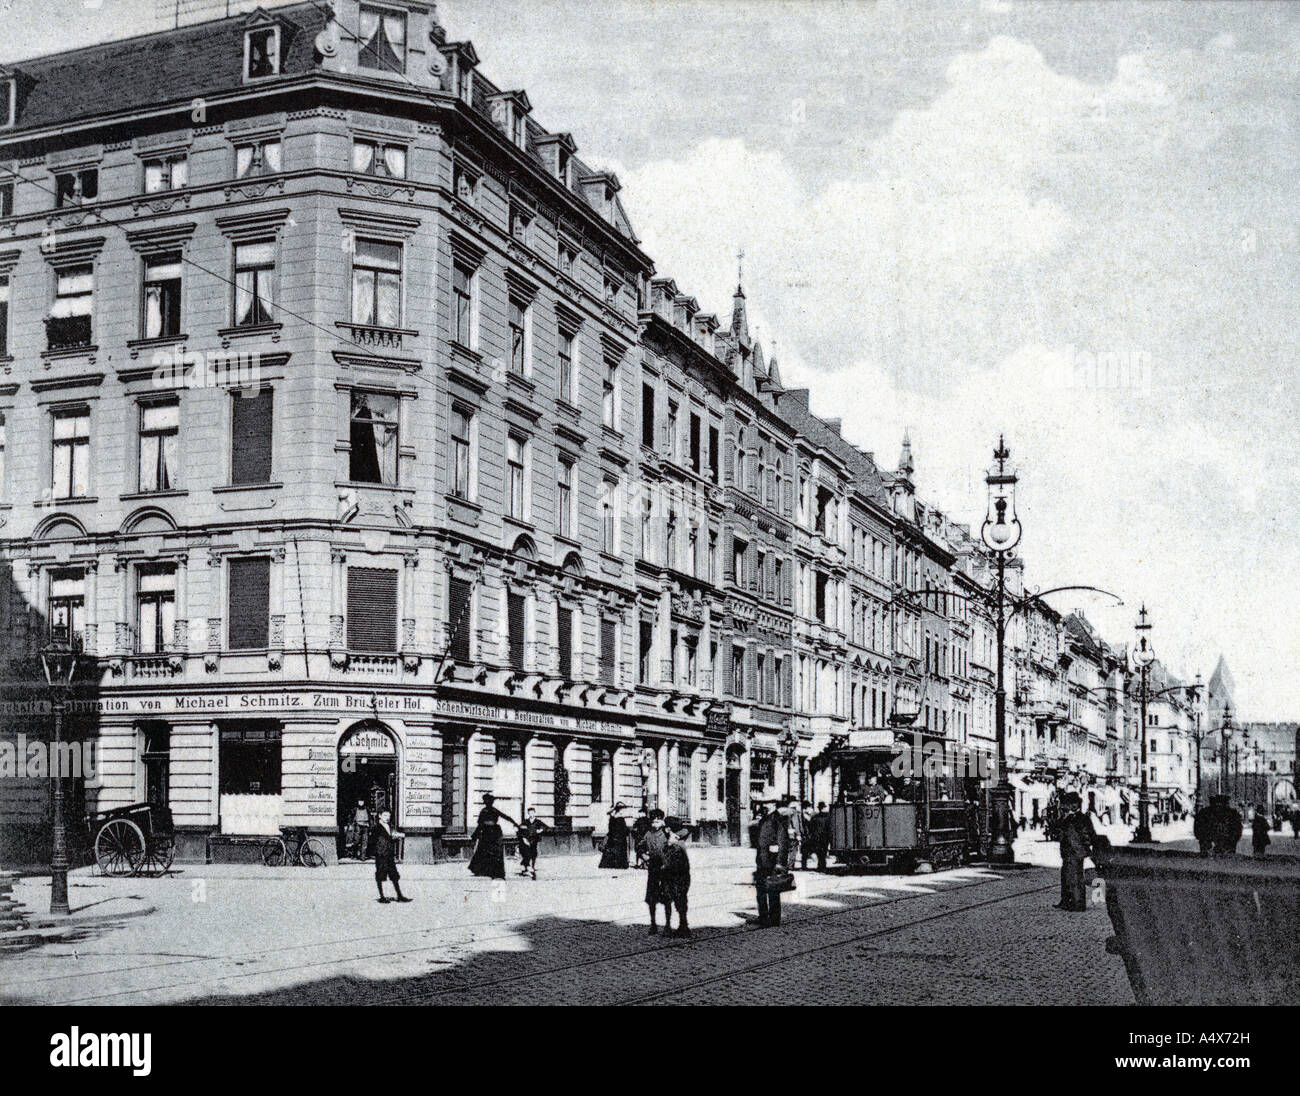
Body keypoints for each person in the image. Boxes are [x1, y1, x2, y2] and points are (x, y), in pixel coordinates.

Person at [753, 795, 795, 928]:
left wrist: (780, 863)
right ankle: (764, 917)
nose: (764, 806)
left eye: (767, 803)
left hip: (772, 862)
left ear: (773, 804)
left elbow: (783, 843)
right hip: (762, 860)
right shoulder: (764, 819)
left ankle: (773, 918)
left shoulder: (778, 820)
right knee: (761, 890)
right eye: (763, 803)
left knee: (773, 890)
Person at [1055, 792, 1096, 912]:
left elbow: (1088, 835)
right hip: (1068, 852)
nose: (1064, 807)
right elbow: (1058, 830)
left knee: (1075, 877)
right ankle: (1066, 901)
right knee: (1066, 876)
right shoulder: (1068, 817)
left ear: (1074, 805)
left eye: (1067, 804)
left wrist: (1084, 847)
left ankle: (1077, 903)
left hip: (1075, 851)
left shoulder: (1081, 818)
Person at [468, 793, 516, 879]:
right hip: (491, 832)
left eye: (489, 801)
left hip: (491, 832)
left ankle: (487, 871)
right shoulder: (490, 810)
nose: (488, 803)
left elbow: (480, 825)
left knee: (488, 851)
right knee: (487, 851)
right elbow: (506, 817)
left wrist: (475, 835)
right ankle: (488, 871)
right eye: (487, 801)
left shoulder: (488, 811)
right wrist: (515, 824)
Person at [660, 821, 692, 938]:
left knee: (673, 901)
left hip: (675, 877)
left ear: (669, 829)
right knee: (679, 901)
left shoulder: (675, 845)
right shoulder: (679, 841)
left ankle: (677, 926)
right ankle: (681, 925)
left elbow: (668, 861)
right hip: (680, 878)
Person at [372, 810, 410, 903]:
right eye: (385, 815)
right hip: (381, 854)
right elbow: (373, 841)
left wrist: (395, 838)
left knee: (394, 875)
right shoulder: (376, 827)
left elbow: (389, 838)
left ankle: (400, 895)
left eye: (389, 816)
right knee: (380, 874)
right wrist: (377, 852)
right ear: (380, 816)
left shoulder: (389, 826)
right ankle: (382, 897)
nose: (387, 817)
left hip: (389, 854)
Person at [643, 810, 670, 935]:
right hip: (653, 868)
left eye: (658, 820)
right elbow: (640, 846)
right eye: (653, 820)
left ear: (662, 821)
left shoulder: (666, 832)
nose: (655, 823)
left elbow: (684, 832)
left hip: (665, 868)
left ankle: (668, 925)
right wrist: (644, 856)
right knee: (652, 898)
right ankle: (653, 924)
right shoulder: (648, 834)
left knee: (666, 896)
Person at [517, 807, 548, 879]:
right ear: (528, 813)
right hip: (527, 840)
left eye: (532, 812)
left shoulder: (538, 821)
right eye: (529, 812)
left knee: (533, 853)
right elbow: (520, 829)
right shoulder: (526, 821)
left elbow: (546, 827)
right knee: (527, 853)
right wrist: (523, 837)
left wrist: (540, 830)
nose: (531, 814)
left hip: (534, 839)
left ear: (534, 813)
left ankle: (532, 866)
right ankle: (524, 865)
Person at [598, 803, 630, 869]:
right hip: (620, 839)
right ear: (620, 810)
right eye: (623, 809)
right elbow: (623, 830)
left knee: (611, 852)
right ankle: (619, 864)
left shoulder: (613, 819)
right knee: (618, 852)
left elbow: (611, 829)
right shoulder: (620, 819)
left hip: (613, 838)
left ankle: (610, 864)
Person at [808, 801, 831, 871]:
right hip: (825, 836)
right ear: (824, 808)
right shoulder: (828, 817)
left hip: (816, 837)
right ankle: (823, 866)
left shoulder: (814, 817)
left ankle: (820, 866)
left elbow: (810, 828)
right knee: (824, 851)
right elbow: (829, 827)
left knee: (819, 851)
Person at [799, 801, 815, 869]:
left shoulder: (803, 813)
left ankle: (804, 865)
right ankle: (804, 865)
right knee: (806, 850)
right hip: (806, 834)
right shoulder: (804, 814)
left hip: (806, 834)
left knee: (805, 850)